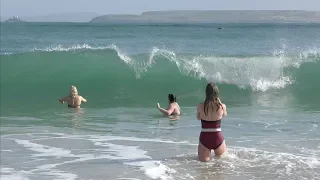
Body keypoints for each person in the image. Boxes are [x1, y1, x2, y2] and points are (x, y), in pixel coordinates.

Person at [197, 83, 227, 162]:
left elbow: (198, 118)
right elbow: (225, 114)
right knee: (221, 165)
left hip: (205, 137)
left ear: (206, 93)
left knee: (204, 166)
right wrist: (219, 102)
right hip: (218, 137)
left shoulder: (200, 106)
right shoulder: (222, 106)